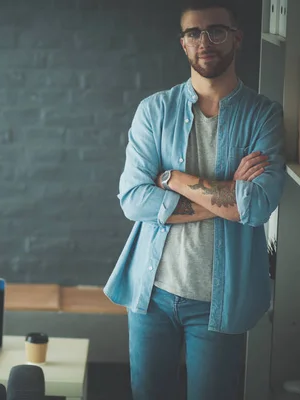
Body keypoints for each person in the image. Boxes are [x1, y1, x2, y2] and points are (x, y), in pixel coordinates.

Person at [103, 1, 286, 399]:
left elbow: (254, 207)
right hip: (151, 294)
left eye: (216, 31)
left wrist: (172, 178)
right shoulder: (154, 111)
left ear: (237, 38)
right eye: (193, 33)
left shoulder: (264, 116)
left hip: (219, 304)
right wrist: (228, 198)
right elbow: (134, 200)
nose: (205, 41)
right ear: (183, 44)